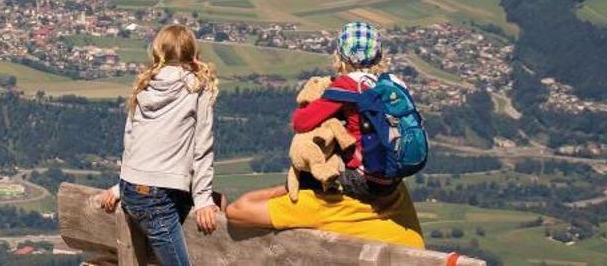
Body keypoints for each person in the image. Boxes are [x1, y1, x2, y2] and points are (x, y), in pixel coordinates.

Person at [223, 22, 427, 249]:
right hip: (387, 180)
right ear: (380, 55)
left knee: (319, 162)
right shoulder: (390, 84)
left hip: (356, 182)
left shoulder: (347, 86)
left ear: (340, 56)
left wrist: (297, 185)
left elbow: (302, 123)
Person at [95, 24, 222, 266]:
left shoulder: (144, 85)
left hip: (133, 189)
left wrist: (120, 188)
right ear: (192, 52)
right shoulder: (197, 86)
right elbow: (202, 148)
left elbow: (132, 143)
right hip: (158, 199)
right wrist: (204, 199)